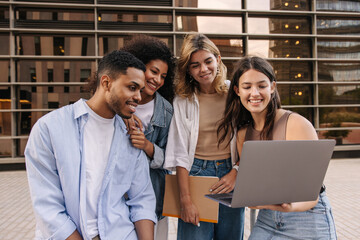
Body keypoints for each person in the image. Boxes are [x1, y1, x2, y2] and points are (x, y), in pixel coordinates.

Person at [25, 50, 157, 240]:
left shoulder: (131, 135)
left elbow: (142, 199)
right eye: (132, 87)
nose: (138, 96)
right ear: (106, 83)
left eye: (140, 90)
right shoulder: (50, 128)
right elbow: (47, 207)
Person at [218, 56, 337, 240]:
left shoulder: (296, 124)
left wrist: (290, 206)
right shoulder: (242, 135)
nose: (254, 93)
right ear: (237, 90)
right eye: (247, 87)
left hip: (307, 218)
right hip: (267, 219)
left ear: (272, 87)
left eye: (262, 86)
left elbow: (312, 194)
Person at [164, 33, 245, 240]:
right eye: (195, 65)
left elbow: (251, 136)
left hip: (230, 174)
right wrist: (185, 200)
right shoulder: (183, 101)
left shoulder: (234, 93)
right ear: (188, 70)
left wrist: (237, 171)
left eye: (208, 61)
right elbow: (180, 152)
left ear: (218, 59)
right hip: (196, 173)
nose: (203, 69)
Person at [121, 35, 175, 240]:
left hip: (152, 198)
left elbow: (171, 158)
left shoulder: (166, 111)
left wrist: (147, 145)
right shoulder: (117, 103)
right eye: (153, 71)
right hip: (117, 198)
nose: (157, 80)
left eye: (163, 76)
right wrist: (123, 113)